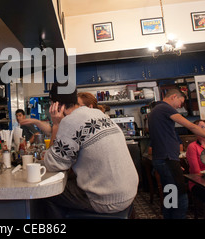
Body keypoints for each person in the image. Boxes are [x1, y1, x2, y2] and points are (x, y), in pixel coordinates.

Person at [43, 82, 139, 218]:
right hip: (129, 192)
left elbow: (52, 164)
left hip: (108, 200)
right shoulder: (98, 114)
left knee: (49, 193)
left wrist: (56, 125)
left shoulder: (69, 121)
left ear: (55, 105)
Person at [147, 89, 205, 219]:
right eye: (180, 102)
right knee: (180, 199)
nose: (180, 106)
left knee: (170, 197)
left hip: (163, 159)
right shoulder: (165, 108)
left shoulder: (155, 110)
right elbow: (192, 126)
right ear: (174, 96)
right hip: (167, 159)